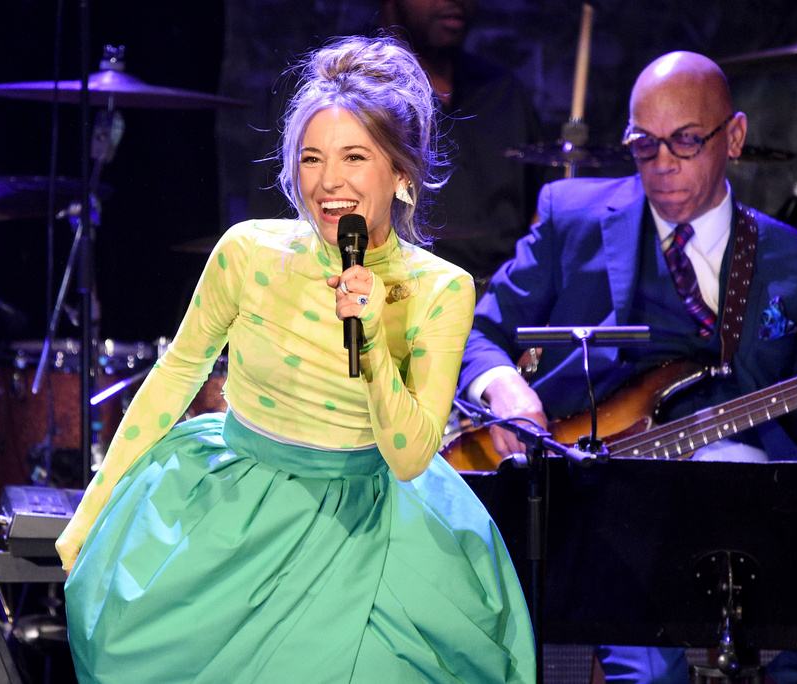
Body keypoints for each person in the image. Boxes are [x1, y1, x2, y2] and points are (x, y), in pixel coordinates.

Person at [56, 35, 535, 683]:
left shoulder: (440, 289)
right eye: (311, 158)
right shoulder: (248, 252)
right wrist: (91, 511)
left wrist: (371, 339)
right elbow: (175, 376)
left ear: (401, 174)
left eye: (354, 157)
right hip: (234, 510)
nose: (328, 182)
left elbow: (409, 457)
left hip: (371, 521)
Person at [457, 51, 797, 683]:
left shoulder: (794, 259)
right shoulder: (571, 217)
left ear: (734, 137)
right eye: (643, 144)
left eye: (685, 141)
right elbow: (478, 331)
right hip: (600, 502)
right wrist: (506, 391)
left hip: (743, 504)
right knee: (647, 672)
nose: (662, 164)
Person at [377, 0, 552, 286]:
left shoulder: (503, 91)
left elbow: (545, 197)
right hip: (405, 292)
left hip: (504, 295)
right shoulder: (362, 95)